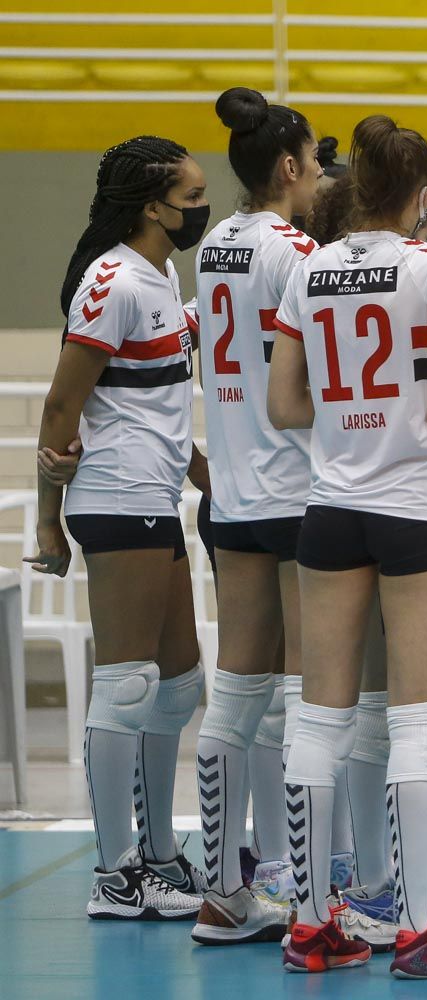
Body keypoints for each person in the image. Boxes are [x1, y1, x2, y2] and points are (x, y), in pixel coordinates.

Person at [268, 113, 427, 978]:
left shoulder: (312, 266)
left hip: (331, 507)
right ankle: (413, 928)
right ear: (420, 198)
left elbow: (283, 407)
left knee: (320, 718)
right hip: (415, 511)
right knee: (415, 720)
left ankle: (309, 922)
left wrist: (347, 418)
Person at [31, 135, 211, 920]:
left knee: (179, 685)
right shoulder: (111, 282)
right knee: (128, 682)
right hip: (114, 492)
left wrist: (206, 470)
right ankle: (114, 872)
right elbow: (61, 407)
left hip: (157, 491)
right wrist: (48, 525)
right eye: (193, 196)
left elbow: (155, 395)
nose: (202, 208)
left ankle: (160, 852)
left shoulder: (160, 273)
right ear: (151, 207)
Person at [188, 87, 321, 944]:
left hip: (232, 494)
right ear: (286, 167)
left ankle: (220, 889)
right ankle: (311, 902)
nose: (319, 179)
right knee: (309, 702)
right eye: (313, 165)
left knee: (235, 696)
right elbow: (301, 385)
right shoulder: (295, 250)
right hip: (300, 493)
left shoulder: (210, 249)